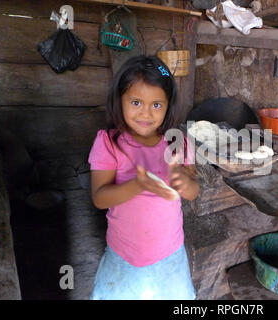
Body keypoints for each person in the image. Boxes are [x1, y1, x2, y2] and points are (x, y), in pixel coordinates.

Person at [88, 55, 199, 300]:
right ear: (120, 100)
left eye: (156, 105)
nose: (146, 113)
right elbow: (100, 197)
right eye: (136, 102)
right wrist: (137, 185)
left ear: (168, 105)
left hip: (170, 254)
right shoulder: (108, 143)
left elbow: (193, 192)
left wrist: (184, 181)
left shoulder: (178, 142)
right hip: (124, 255)